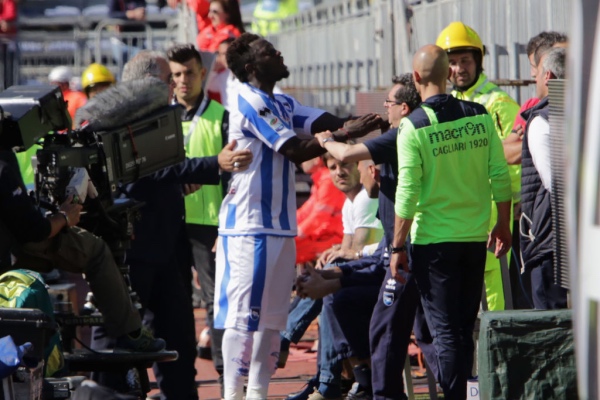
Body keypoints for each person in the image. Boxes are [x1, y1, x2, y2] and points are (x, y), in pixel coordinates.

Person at [214, 32, 384, 400]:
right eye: (267, 52)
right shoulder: (247, 101)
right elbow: (293, 148)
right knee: (243, 320)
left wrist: (375, 122)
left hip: (280, 227)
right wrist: (338, 133)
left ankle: (258, 394)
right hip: (246, 227)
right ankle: (231, 394)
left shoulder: (283, 102)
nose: (277, 52)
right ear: (251, 67)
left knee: (273, 322)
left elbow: (332, 122)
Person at [88, 50, 253, 400]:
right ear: (148, 84)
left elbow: (158, 172)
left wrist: (177, 182)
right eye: (168, 79)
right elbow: (148, 169)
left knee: (177, 336)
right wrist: (215, 164)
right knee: (118, 333)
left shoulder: (156, 114)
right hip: (134, 249)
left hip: (166, 248)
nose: (175, 86)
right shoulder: (121, 117)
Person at [390, 44, 512, 400]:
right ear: (448, 75)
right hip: (475, 238)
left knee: (445, 332)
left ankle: (456, 395)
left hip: (433, 244)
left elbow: (407, 192)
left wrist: (397, 246)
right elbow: (499, 175)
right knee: (463, 328)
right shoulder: (479, 114)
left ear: (416, 79)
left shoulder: (412, 127)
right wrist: (502, 223)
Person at [309, 74, 433, 400]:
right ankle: (352, 382)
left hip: (401, 258)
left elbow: (346, 153)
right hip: (397, 255)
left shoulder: (400, 136)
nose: (384, 109)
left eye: (389, 103)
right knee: (334, 292)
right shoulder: (406, 138)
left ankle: (348, 383)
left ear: (403, 108)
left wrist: (327, 138)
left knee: (382, 325)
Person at [0, 133, 166, 358]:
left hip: (11, 241)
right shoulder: (2, 163)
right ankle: (131, 333)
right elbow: (34, 230)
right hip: (14, 245)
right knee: (95, 249)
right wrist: (64, 217)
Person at [436, 21, 520, 311]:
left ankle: (492, 352)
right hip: (459, 215)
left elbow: (515, 161)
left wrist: (512, 204)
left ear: (478, 61)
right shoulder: (448, 103)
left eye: (465, 61)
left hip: (493, 215)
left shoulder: (498, 103)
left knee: (493, 291)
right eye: (452, 62)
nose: (458, 69)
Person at [166, 43, 229, 393]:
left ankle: (223, 374)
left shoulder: (222, 116)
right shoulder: (163, 119)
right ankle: (181, 376)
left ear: (202, 73)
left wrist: (225, 225)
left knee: (214, 299)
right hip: (171, 224)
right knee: (174, 302)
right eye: (176, 74)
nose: (183, 80)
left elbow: (232, 176)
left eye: (189, 72)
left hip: (210, 224)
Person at [520, 47, 568, 310]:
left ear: (547, 75)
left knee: (552, 328)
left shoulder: (542, 120)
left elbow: (555, 184)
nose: (534, 79)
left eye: (536, 73)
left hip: (552, 244)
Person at [294, 156, 345, 265]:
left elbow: (318, 218)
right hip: (322, 236)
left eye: (304, 156)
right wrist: (284, 227)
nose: (300, 162)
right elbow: (305, 212)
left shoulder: (327, 180)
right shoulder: (321, 179)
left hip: (332, 238)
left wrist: (294, 236)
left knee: (287, 250)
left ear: (317, 159)